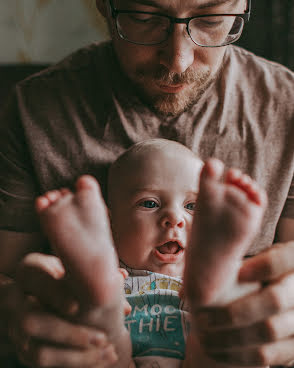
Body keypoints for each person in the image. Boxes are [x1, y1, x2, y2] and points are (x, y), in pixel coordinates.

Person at [0, 0, 293, 366]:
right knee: (103, 338)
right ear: (104, 5)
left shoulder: (287, 105)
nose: (178, 61)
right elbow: (8, 273)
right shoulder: (32, 109)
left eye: (213, 20)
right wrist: (17, 308)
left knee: (220, 338)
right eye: (144, 18)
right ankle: (104, 298)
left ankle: (212, 287)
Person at [35, 138, 267, 368]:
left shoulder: (193, 280)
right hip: (120, 351)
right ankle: (102, 308)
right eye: (149, 204)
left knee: (228, 339)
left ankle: (215, 292)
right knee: (96, 340)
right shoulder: (116, 276)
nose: (175, 218)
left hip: (199, 351)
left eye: (192, 206)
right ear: (110, 222)